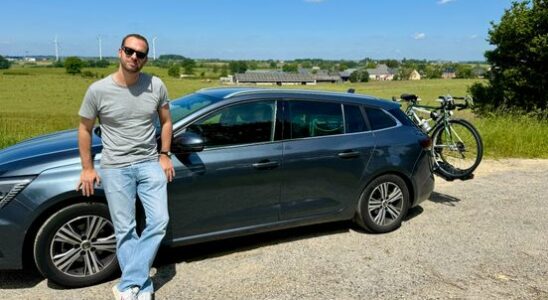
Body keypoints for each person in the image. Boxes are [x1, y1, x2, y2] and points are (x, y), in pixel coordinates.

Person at [77, 33, 175, 300]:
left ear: (145, 59)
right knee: (126, 229)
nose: (135, 57)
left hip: (148, 162)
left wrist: (165, 154)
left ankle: (128, 284)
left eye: (140, 54)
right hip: (115, 166)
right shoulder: (98, 90)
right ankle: (141, 286)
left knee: (159, 221)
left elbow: (166, 121)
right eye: (130, 51)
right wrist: (87, 167)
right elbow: (85, 129)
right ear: (119, 52)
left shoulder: (156, 85)